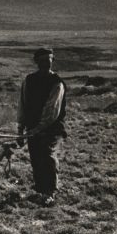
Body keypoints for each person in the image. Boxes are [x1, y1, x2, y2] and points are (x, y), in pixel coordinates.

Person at [16, 48, 67, 206]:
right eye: (43, 60)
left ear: (53, 61)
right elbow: (22, 105)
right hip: (32, 128)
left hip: (51, 129)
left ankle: (50, 192)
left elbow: (51, 111)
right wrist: (20, 129)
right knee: (36, 159)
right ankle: (40, 192)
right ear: (37, 62)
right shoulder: (29, 80)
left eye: (49, 59)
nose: (46, 63)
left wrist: (37, 129)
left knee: (48, 157)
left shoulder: (57, 83)